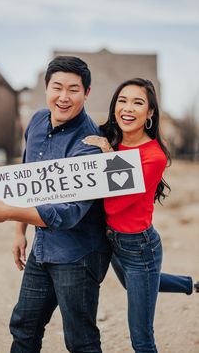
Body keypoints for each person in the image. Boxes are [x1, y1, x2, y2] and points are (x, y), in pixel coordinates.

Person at [0, 56, 111, 353]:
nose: (64, 97)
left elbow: (67, 214)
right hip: (43, 248)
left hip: (79, 254)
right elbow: (27, 182)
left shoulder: (89, 144)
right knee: (24, 327)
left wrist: (8, 212)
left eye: (74, 89)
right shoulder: (38, 120)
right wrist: (18, 232)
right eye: (57, 87)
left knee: (81, 340)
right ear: (46, 88)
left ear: (87, 92)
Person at [82, 78, 199, 353]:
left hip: (139, 248)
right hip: (111, 240)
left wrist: (106, 155)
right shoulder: (110, 138)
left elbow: (113, 205)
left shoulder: (152, 157)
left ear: (150, 113)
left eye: (138, 103)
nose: (128, 108)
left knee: (141, 339)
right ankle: (191, 285)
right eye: (122, 100)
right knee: (136, 285)